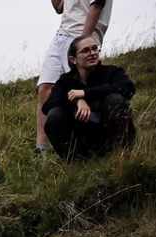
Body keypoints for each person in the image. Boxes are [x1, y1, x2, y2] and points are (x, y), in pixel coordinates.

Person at [43, 35, 136, 159]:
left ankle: (123, 153)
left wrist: (85, 93)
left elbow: (128, 88)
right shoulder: (65, 81)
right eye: (86, 51)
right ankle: (76, 161)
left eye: (95, 48)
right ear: (73, 59)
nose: (92, 53)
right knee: (54, 114)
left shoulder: (111, 72)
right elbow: (47, 106)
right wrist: (76, 100)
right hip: (81, 140)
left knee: (116, 100)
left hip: (110, 136)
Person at [37, 0, 112, 152]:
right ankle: (40, 148)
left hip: (81, 34)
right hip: (61, 35)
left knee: (80, 85)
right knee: (45, 87)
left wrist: (82, 43)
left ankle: (93, 145)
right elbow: (59, 7)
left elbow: (97, 6)